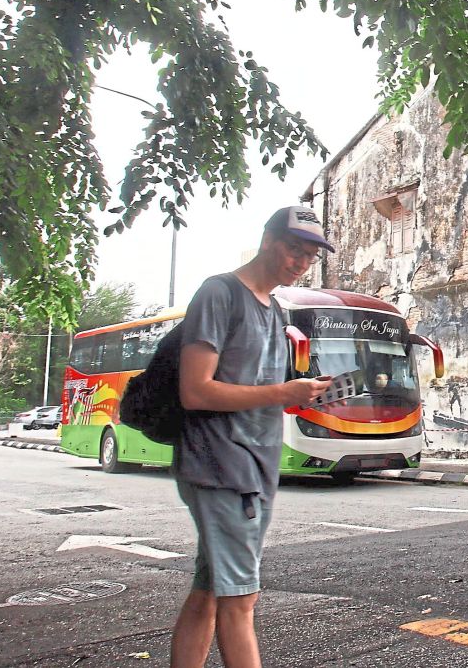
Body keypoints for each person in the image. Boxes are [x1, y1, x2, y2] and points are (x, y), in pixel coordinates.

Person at [170, 206, 334, 668]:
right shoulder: (219, 293)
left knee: (209, 590)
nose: (301, 262)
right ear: (267, 241)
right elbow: (195, 390)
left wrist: (301, 394)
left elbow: (259, 391)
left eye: (311, 256)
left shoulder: (276, 309)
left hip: (256, 467)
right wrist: (283, 391)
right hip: (223, 465)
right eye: (294, 249)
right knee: (241, 600)